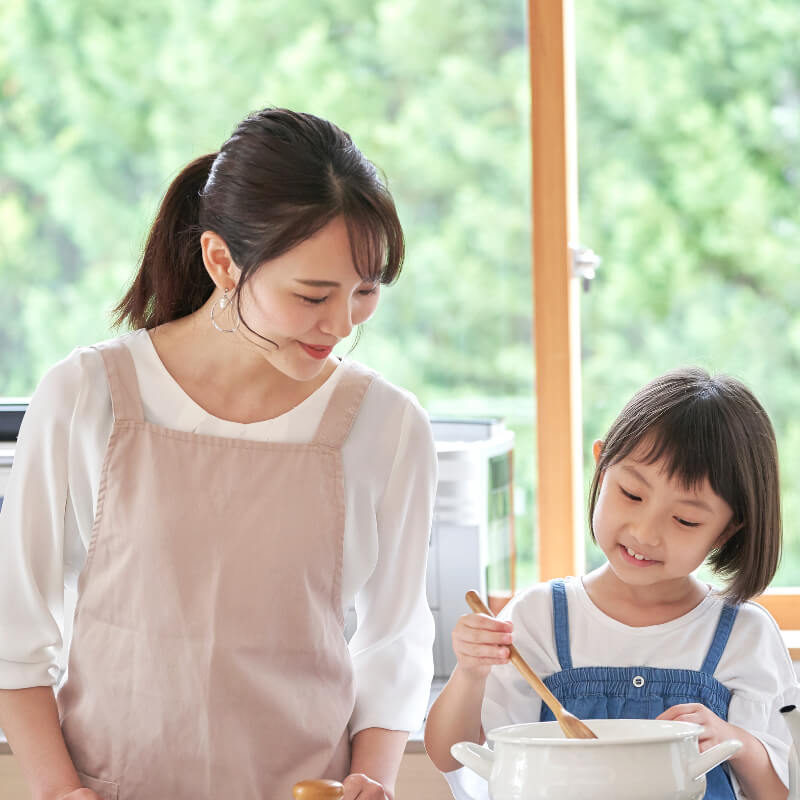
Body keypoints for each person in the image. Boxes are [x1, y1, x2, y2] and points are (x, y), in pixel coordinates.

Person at [0, 107, 437, 800]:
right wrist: (59, 792)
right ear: (221, 262)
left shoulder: (387, 427)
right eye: (312, 295)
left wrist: (368, 782)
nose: (342, 323)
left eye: (365, 292)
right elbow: (14, 635)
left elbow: (395, 643)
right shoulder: (89, 397)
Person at [425, 368, 800, 800]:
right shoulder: (536, 619)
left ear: (726, 531)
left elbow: (777, 793)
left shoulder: (745, 636)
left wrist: (737, 743)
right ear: (602, 470)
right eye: (632, 495)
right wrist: (471, 674)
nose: (645, 532)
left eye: (685, 519)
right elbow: (450, 755)